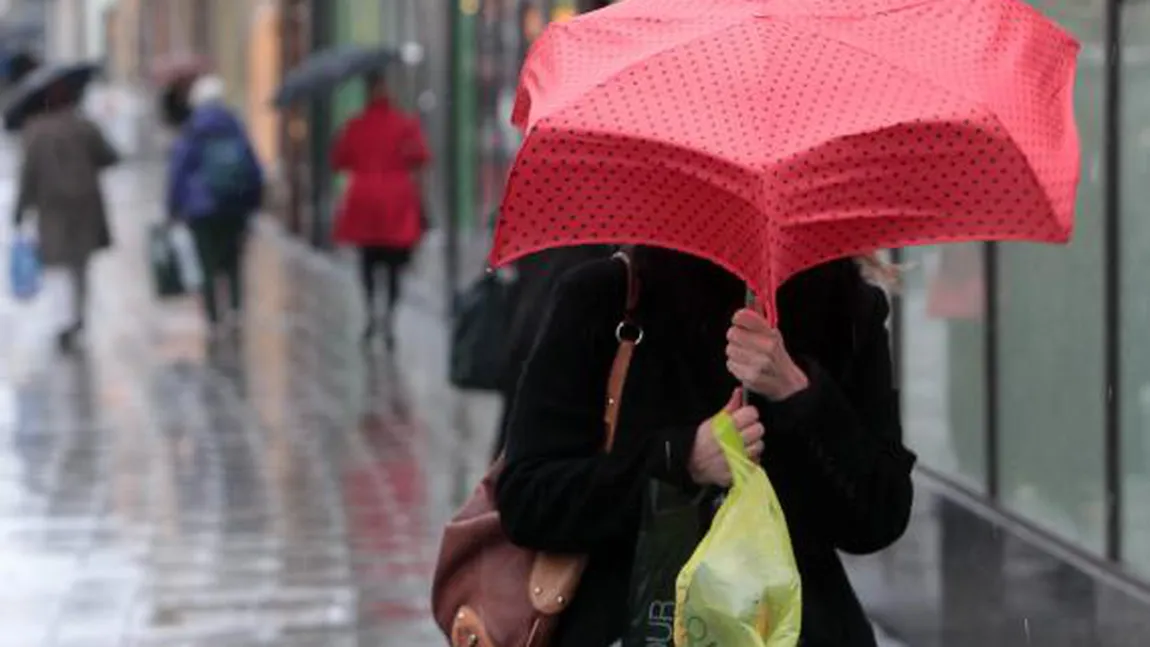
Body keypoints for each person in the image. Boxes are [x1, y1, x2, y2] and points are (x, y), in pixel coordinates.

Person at [495, 247, 916, 647]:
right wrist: (681, 458)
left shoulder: (848, 309)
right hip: (634, 623)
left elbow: (879, 516)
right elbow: (527, 498)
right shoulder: (608, 298)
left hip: (794, 629)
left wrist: (798, 392)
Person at [13, 80, 119, 351]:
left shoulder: (34, 131)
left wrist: (20, 209)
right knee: (80, 266)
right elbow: (110, 156)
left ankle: (63, 321)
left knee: (57, 267)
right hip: (85, 207)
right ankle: (77, 317)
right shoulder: (84, 126)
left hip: (51, 209)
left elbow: (28, 175)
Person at [331, 70, 430, 349]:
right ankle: (388, 317)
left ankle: (371, 312)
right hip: (396, 200)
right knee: (395, 262)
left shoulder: (356, 125)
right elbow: (421, 156)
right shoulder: (404, 124)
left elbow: (339, 160)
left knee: (368, 258)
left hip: (364, 200)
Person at [167, 75, 264, 334]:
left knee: (206, 262)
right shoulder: (235, 125)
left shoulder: (192, 129)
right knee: (233, 261)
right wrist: (254, 202)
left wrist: (173, 207)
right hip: (234, 203)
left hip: (201, 208)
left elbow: (178, 170)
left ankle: (213, 317)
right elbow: (253, 166)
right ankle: (234, 309)